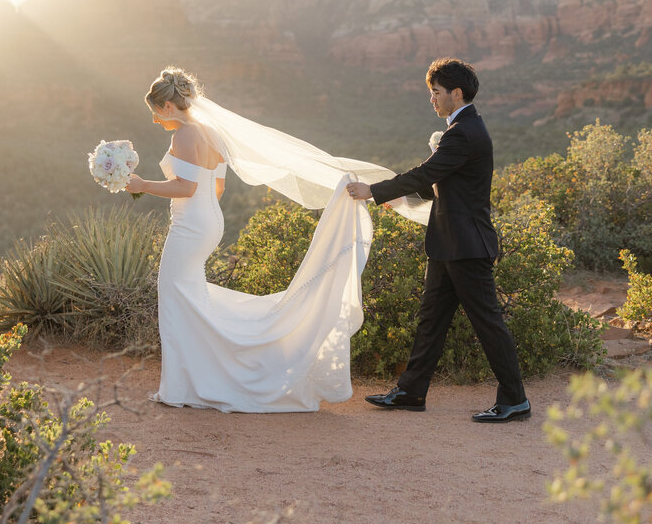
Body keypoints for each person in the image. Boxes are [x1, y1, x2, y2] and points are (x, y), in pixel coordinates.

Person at [125, 67, 407, 413]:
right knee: (191, 299)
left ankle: (185, 386)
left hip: (190, 225)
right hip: (210, 221)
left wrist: (142, 185)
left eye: (155, 112)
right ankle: (194, 381)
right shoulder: (211, 132)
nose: (155, 121)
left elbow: (187, 187)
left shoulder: (183, 136)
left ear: (168, 105)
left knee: (174, 294)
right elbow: (218, 187)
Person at [345, 58, 530, 423]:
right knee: (431, 319)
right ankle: (411, 391)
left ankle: (515, 399)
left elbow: (427, 172)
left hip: (467, 246)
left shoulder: (463, 131)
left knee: (488, 323)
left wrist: (374, 191)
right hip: (449, 243)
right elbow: (445, 182)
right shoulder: (463, 128)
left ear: (456, 93)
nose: (432, 99)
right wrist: (405, 196)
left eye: (436, 92)